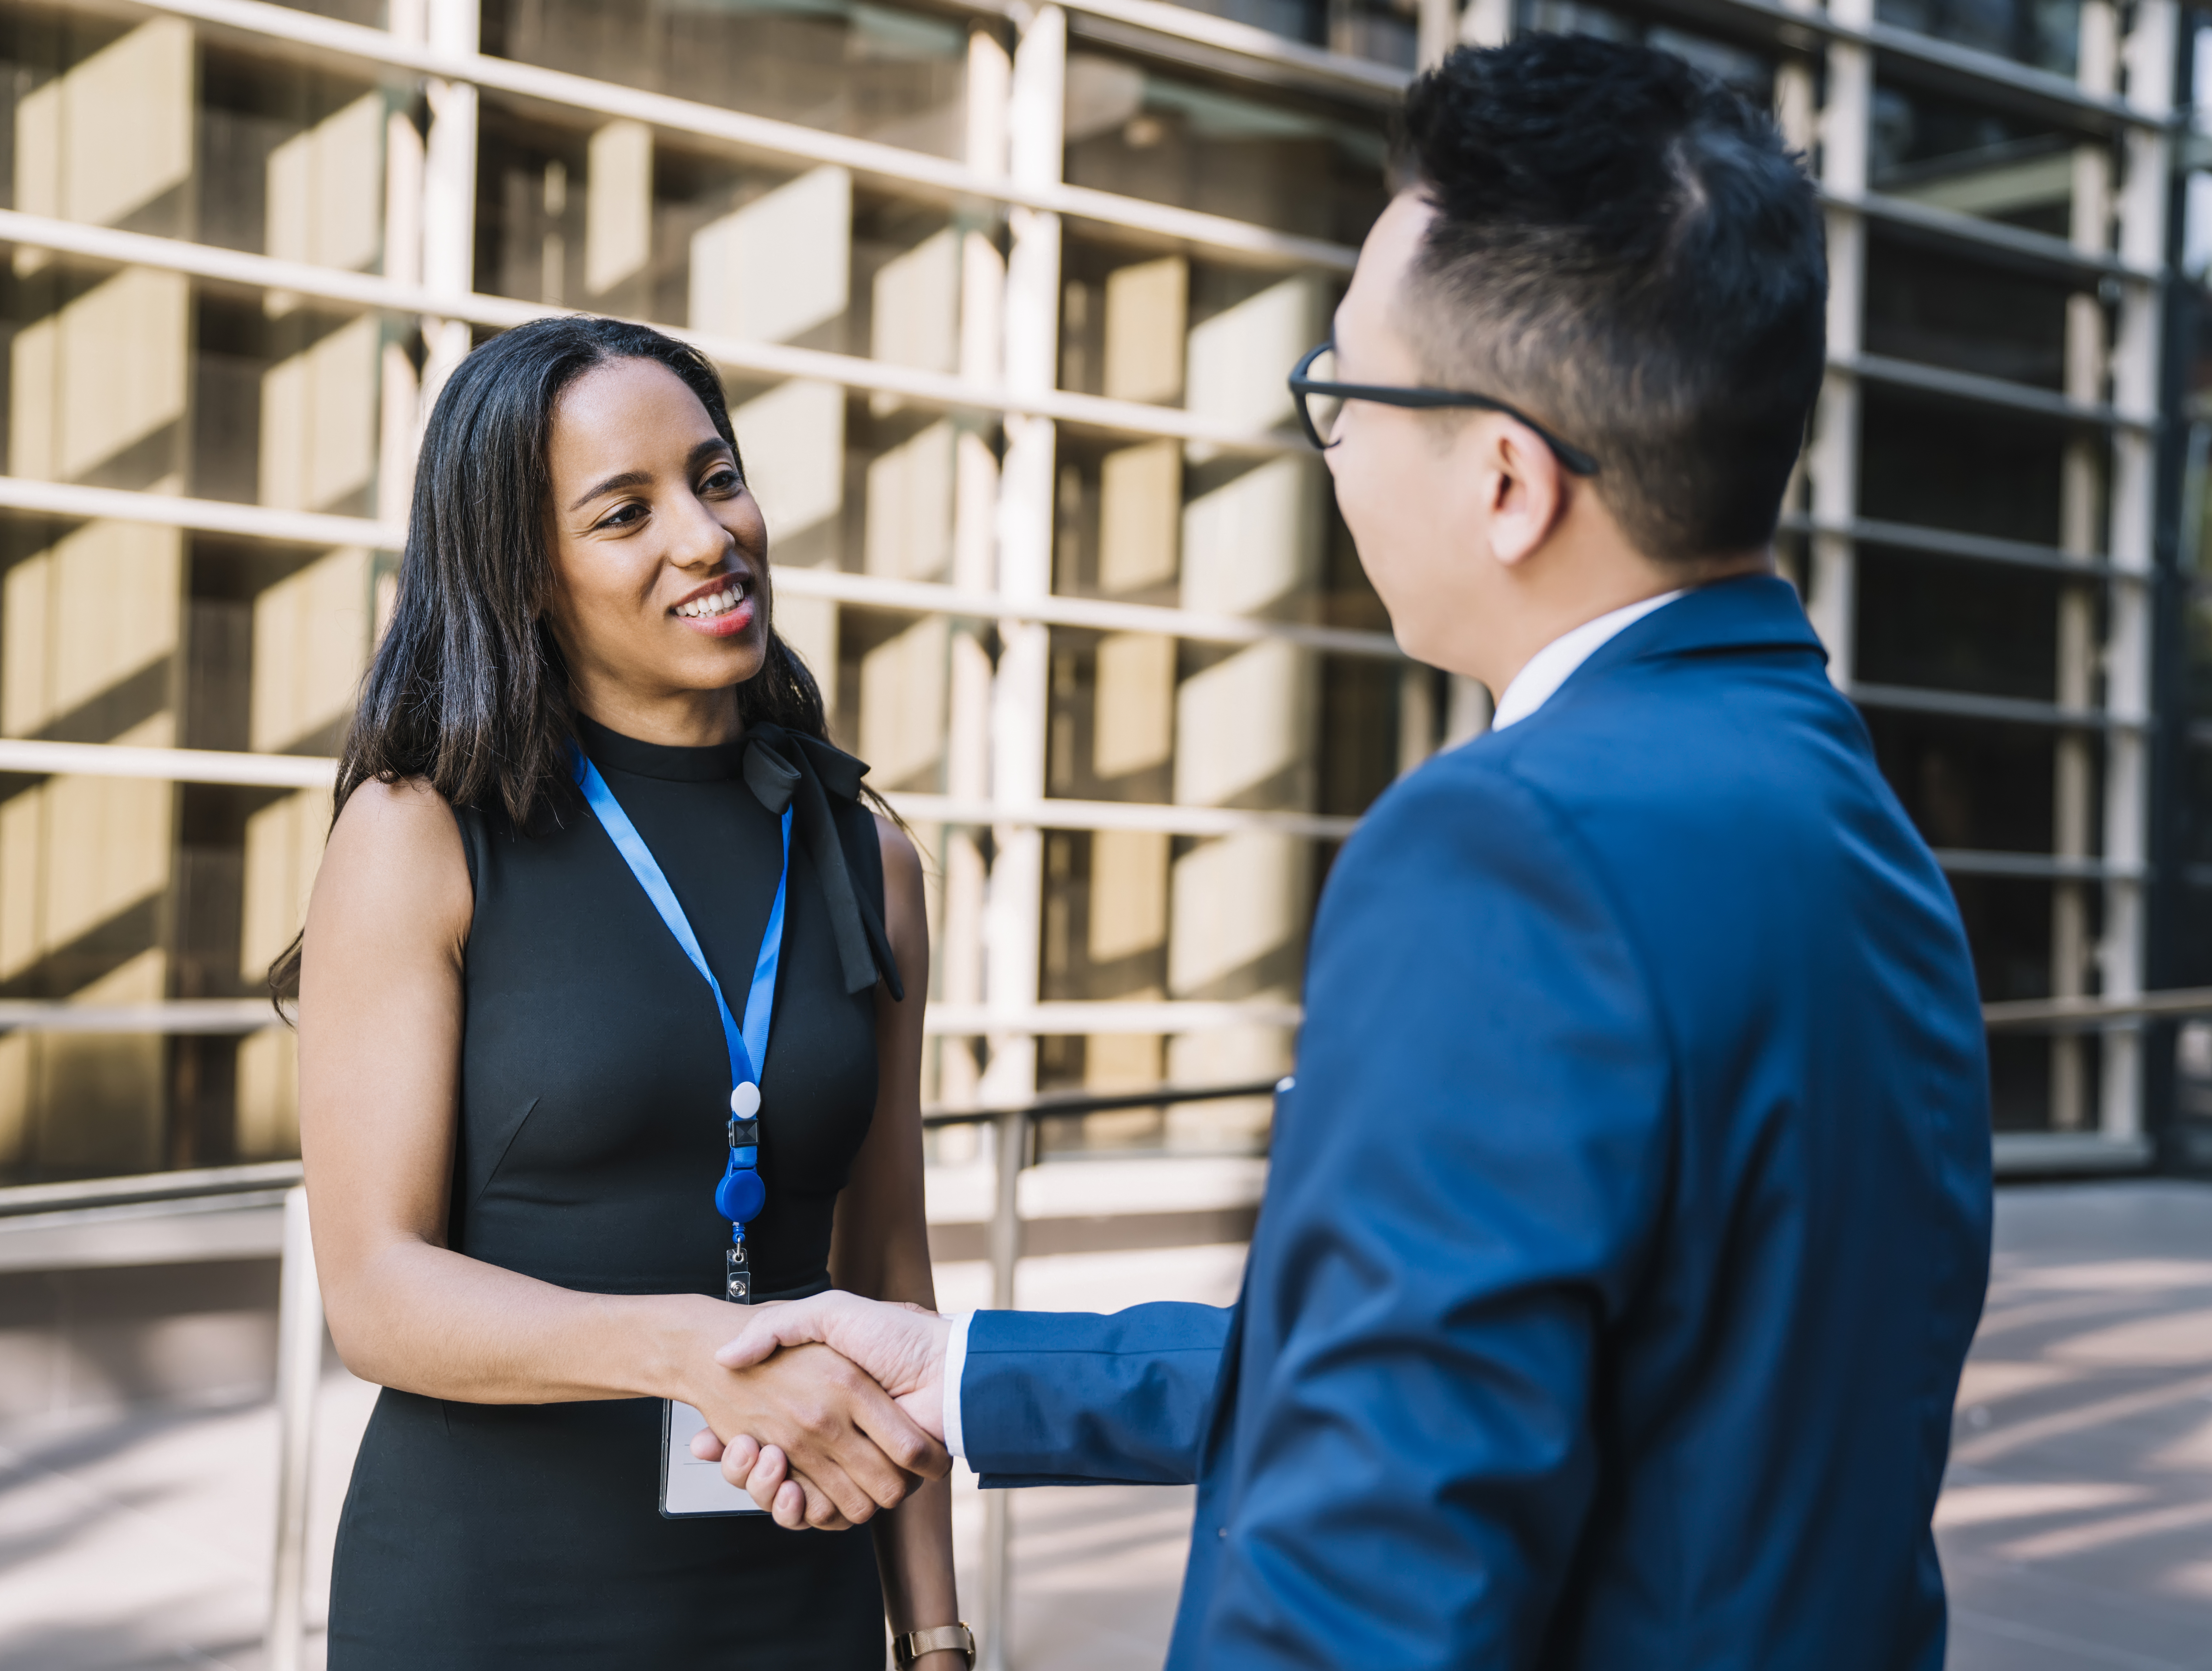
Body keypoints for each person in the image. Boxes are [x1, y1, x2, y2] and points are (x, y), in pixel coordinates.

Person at [705, 33, 1995, 1671]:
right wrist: (970, 1373)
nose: (1330, 444)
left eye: (1343, 393)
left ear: (1508, 479)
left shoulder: (1506, 850)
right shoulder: (1853, 823)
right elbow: (1578, 1372)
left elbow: (1370, 1563)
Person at [290, 315, 967, 1669]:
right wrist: (692, 1349)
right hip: (493, 1603)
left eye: (717, 480)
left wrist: (936, 1632)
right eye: (625, 513)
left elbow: (889, 1265)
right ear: (525, 575)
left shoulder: (867, 859)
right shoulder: (420, 835)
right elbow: (374, 1293)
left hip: (798, 1592)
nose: (708, 537)